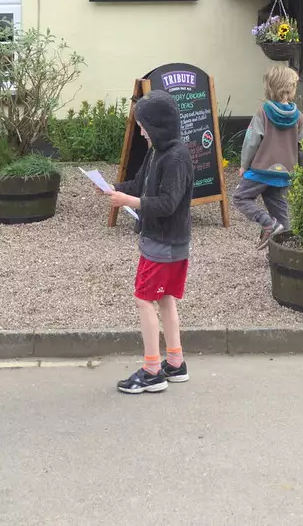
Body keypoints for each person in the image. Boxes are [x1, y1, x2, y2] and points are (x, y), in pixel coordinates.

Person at [101, 90, 193, 394]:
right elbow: (139, 184)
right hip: (166, 243)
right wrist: (110, 189)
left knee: (144, 299)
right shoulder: (157, 152)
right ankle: (175, 363)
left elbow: (167, 203)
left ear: (158, 126)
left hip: (163, 244)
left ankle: (153, 370)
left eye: (143, 126)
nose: (141, 132)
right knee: (164, 299)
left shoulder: (177, 157)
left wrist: (129, 200)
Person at [232, 65, 303, 248]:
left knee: (241, 197)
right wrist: (302, 170)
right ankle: (286, 250)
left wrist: (244, 165)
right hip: (285, 172)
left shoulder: (263, 113)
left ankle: (268, 223)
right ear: (290, 90)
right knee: (279, 208)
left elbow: (251, 141)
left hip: (261, 169)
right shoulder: (298, 117)